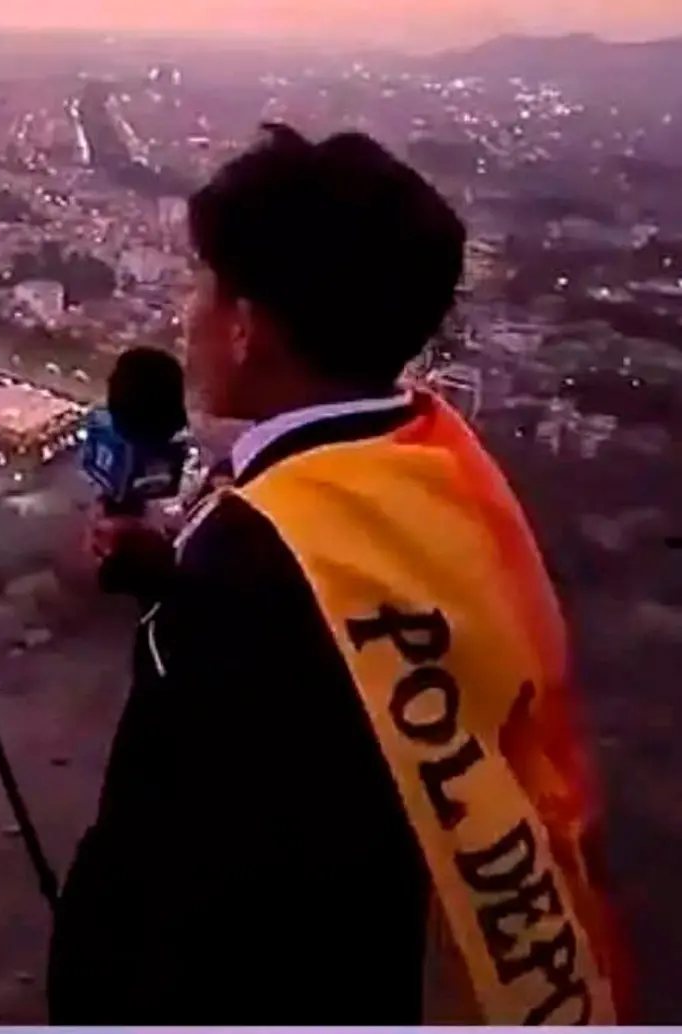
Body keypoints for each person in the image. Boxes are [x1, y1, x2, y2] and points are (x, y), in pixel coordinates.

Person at [48, 123, 628, 1024]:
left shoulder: (251, 564)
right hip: (361, 963)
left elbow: (180, 857)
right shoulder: (422, 473)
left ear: (247, 329)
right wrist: (172, 576)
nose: (187, 313)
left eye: (204, 283)